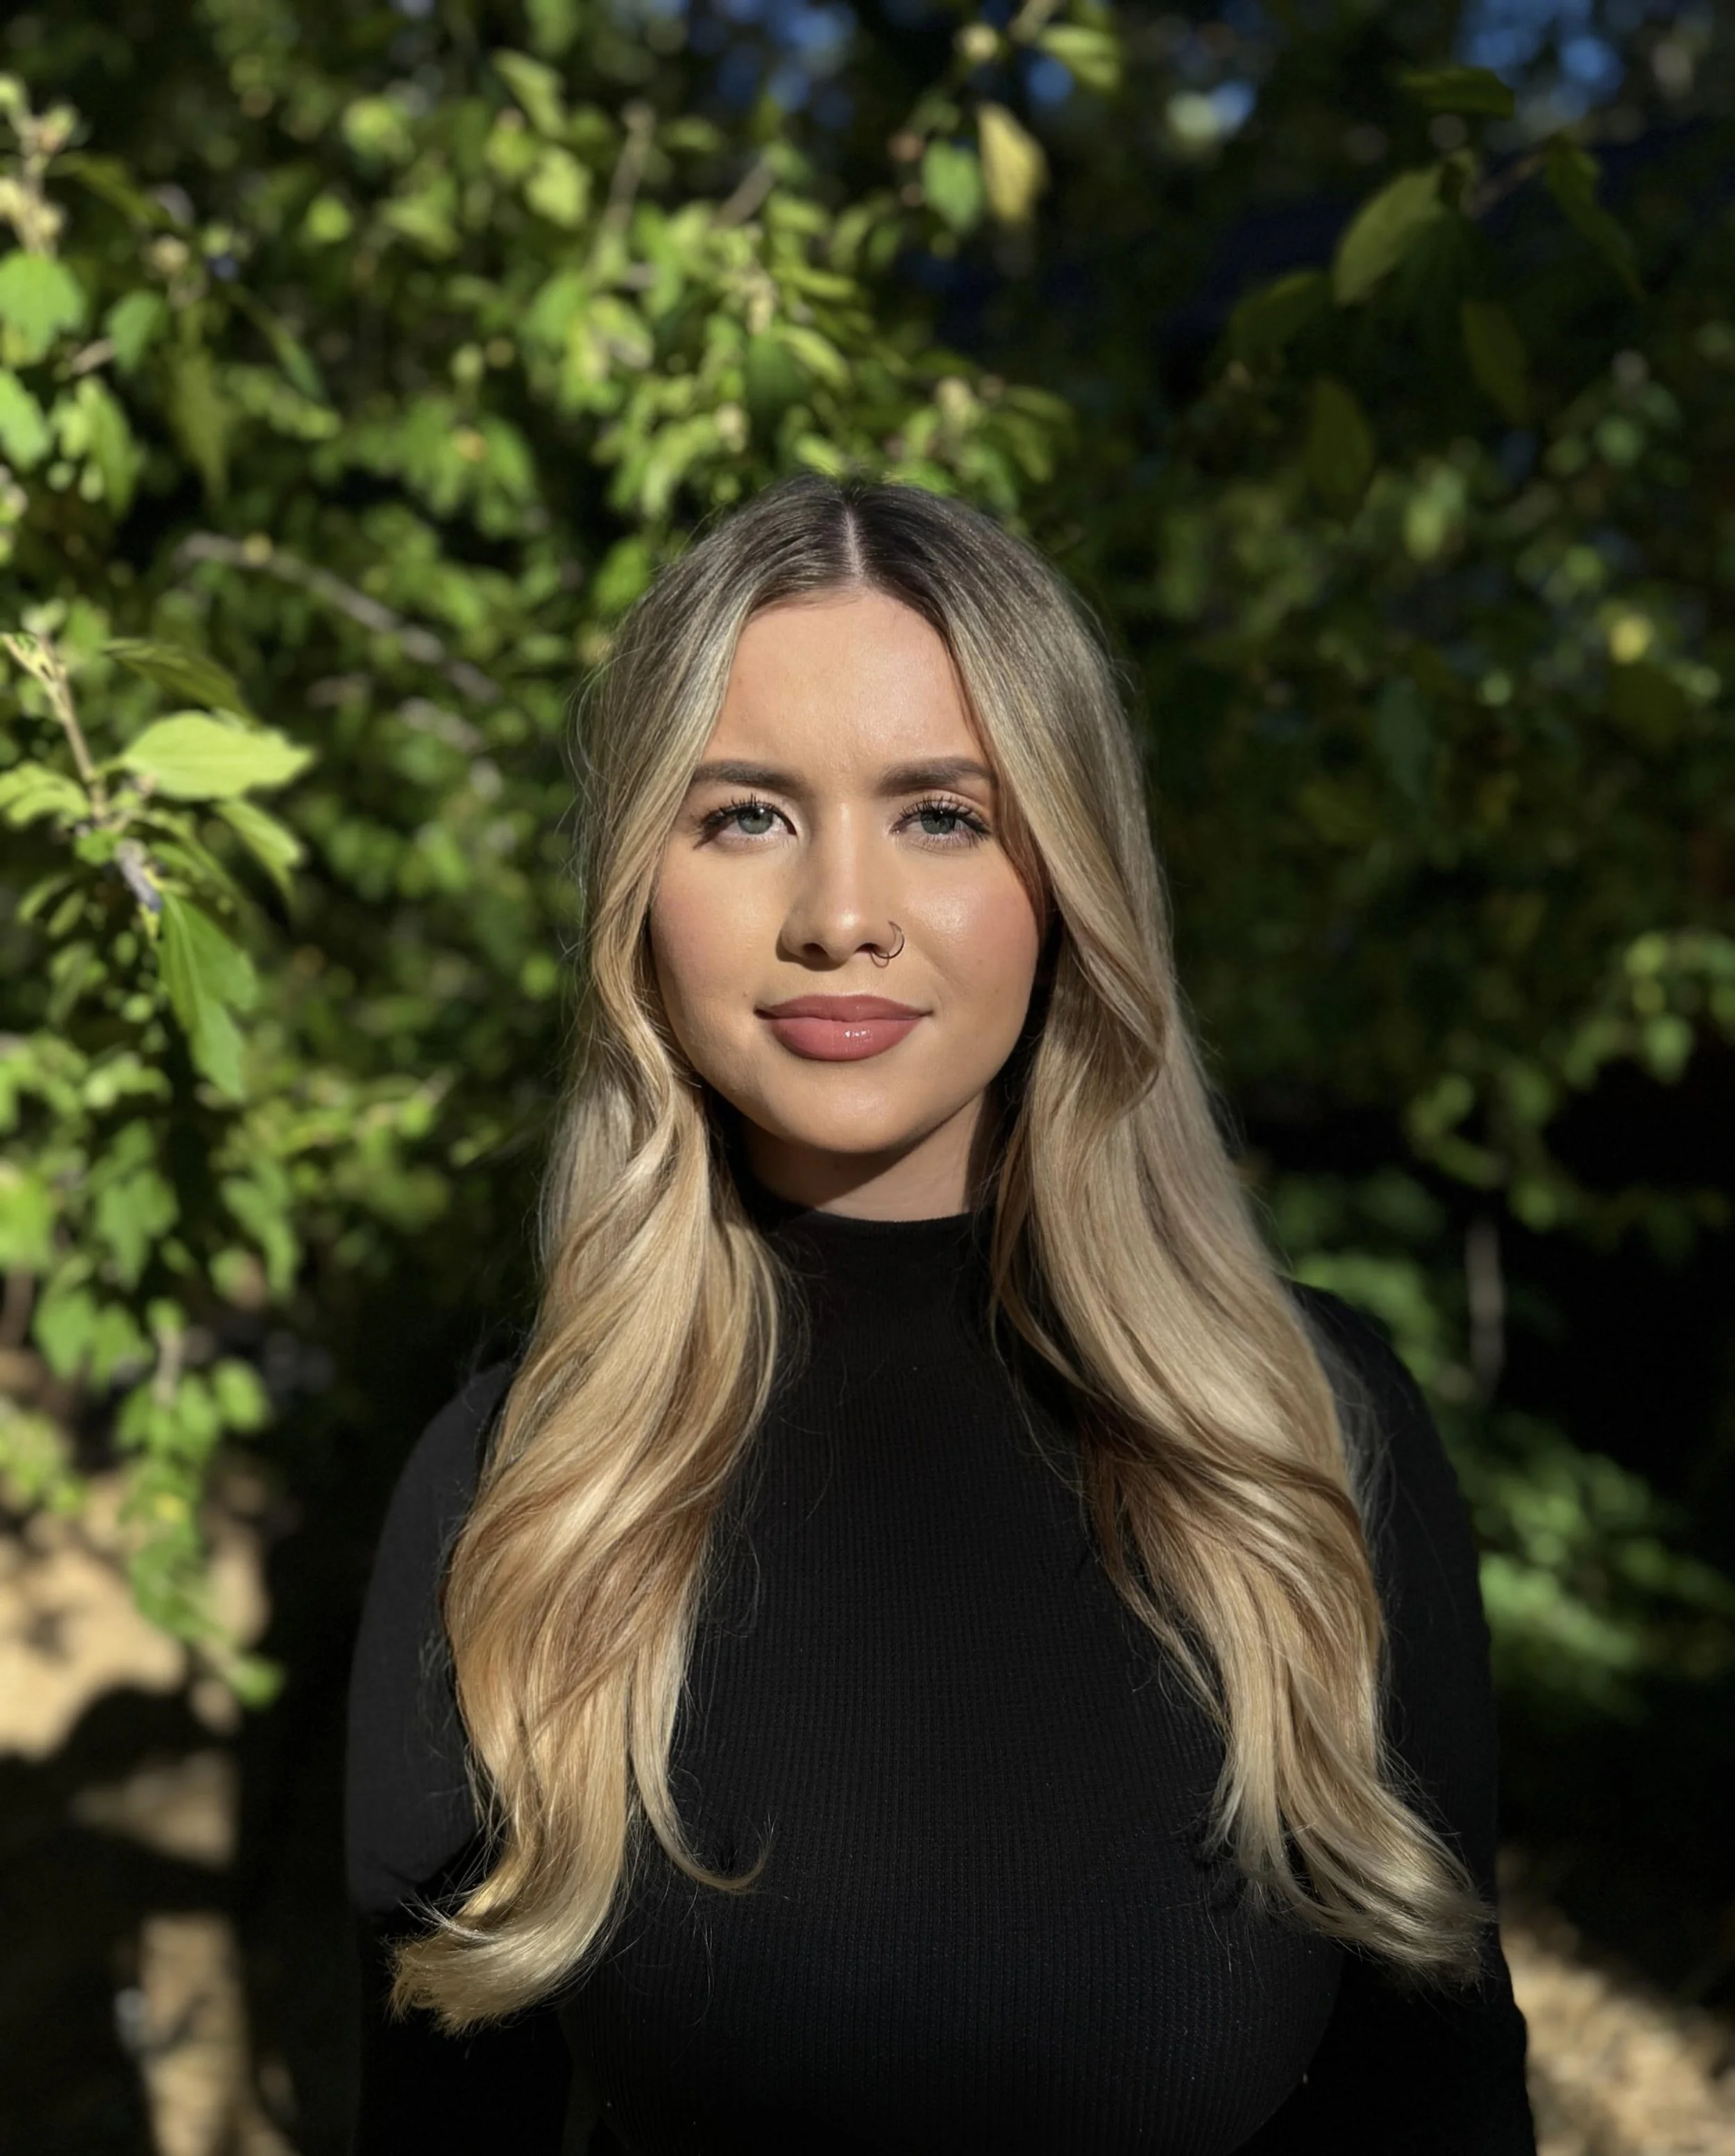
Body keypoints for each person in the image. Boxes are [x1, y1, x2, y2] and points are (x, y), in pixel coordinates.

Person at [344, 474, 1535, 2155]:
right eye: (745, 815)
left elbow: (1440, 2098)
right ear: (635, 893)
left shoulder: (1301, 1437)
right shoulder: (523, 1491)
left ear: (1068, 876)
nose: (841, 915)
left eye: (941, 815)